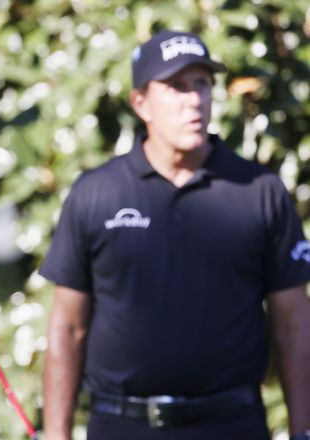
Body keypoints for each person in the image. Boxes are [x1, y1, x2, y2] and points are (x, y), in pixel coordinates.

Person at [39, 30, 310, 440]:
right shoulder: (97, 192)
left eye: (202, 84)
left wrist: (303, 432)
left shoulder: (259, 191)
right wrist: (56, 435)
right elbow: (67, 328)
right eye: (176, 87)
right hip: (120, 427)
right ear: (141, 103)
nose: (194, 101)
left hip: (232, 425)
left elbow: (293, 325)